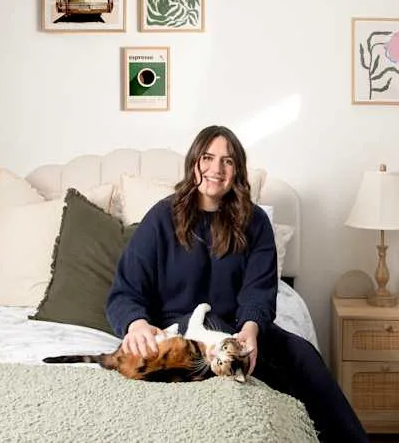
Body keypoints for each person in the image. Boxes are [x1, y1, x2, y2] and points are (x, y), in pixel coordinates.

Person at [106, 125, 368, 443]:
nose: (216, 169)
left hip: (240, 327)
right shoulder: (161, 217)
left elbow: (258, 290)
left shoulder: (254, 222)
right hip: (180, 331)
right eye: (208, 157)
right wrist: (136, 324)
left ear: (237, 170)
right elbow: (126, 290)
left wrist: (251, 331)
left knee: (303, 355)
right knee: (215, 329)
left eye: (227, 161)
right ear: (194, 163)